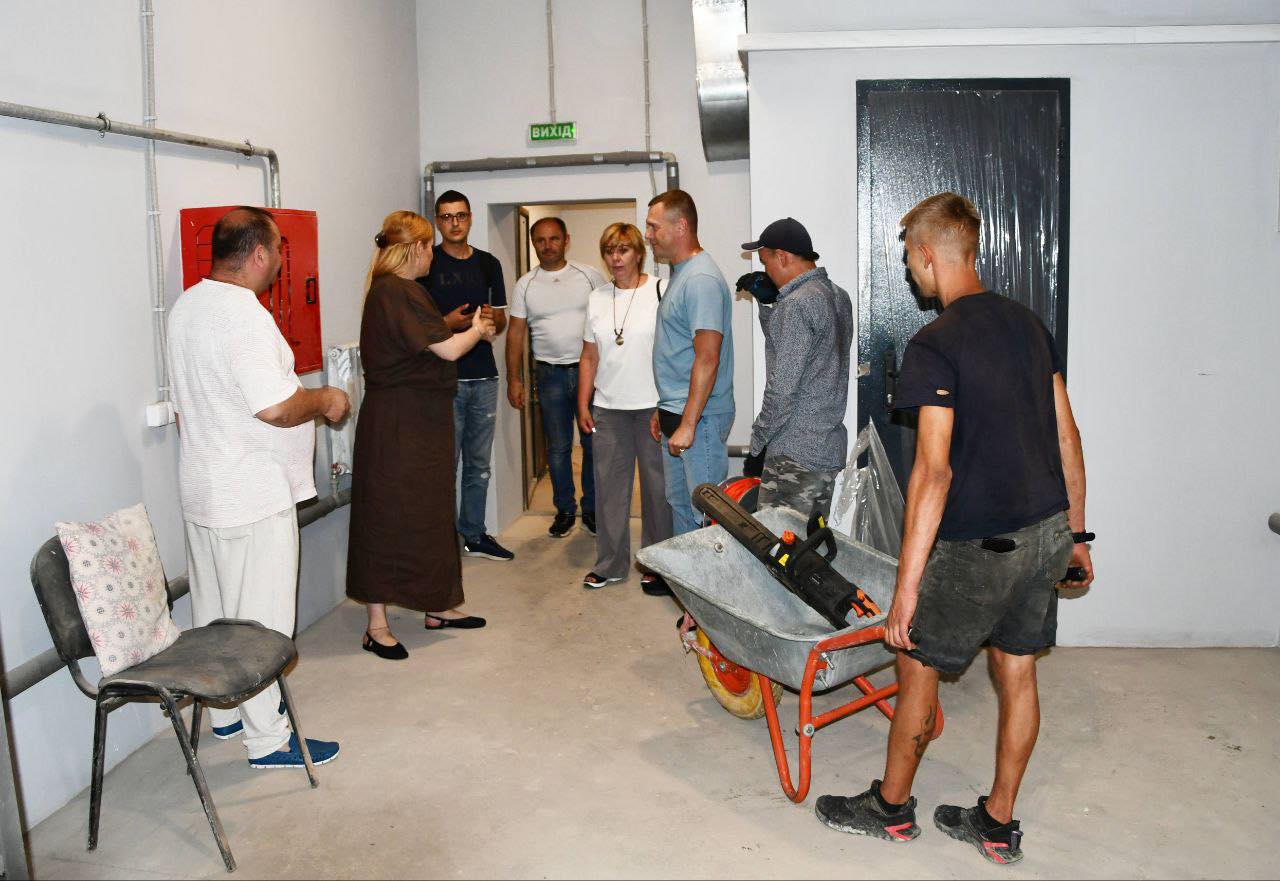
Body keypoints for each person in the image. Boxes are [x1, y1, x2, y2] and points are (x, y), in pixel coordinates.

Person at [813, 193, 1095, 866]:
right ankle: (996, 822)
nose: (912, 274)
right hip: (1045, 531)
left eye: (911, 261)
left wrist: (905, 592)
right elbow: (1067, 433)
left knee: (916, 668)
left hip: (981, 545)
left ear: (926, 255)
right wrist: (1077, 537)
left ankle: (889, 808)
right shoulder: (1028, 325)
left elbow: (932, 474)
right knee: (1017, 672)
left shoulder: (935, 344)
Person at [167, 206, 348, 769]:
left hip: (205, 490)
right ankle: (268, 740)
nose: (278, 265)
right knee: (264, 622)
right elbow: (274, 406)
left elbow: (193, 406)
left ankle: (225, 716)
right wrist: (326, 400)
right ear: (260, 253)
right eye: (277, 254)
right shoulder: (243, 316)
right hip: (250, 494)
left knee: (217, 616)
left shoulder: (187, 306)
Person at [347, 211, 496, 660]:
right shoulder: (395, 291)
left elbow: (425, 345)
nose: (433, 254)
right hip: (397, 426)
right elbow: (447, 350)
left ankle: (437, 605)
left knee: (430, 513)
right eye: (429, 246)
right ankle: (376, 626)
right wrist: (478, 329)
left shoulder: (402, 292)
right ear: (416, 248)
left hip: (421, 423)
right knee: (385, 516)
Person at [577, 223, 674, 595]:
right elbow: (589, 356)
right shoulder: (597, 299)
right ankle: (610, 564)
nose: (615, 258)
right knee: (609, 492)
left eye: (623, 250)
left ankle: (656, 565)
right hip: (608, 408)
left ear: (639, 253)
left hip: (652, 408)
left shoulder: (661, 290)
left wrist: (667, 403)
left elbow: (674, 352)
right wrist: (583, 403)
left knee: (657, 491)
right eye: (609, 251)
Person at [418, 190, 514, 562]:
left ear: (470, 218)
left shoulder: (489, 263)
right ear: (437, 222)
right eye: (446, 217)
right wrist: (448, 323)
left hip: (484, 377)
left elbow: (501, 320)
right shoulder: (427, 263)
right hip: (443, 379)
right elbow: (418, 327)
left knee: (479, 465)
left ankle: (473, 534)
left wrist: (491, 319)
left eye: (460, 215)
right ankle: (441, 539)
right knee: (445, 464)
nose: (454, 223)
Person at [737, 217, 853, 520]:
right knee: (809, 544)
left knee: (779, 545)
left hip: (794, 455)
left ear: (783, 256)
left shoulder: (797, 304)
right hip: (825, 448)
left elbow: (783, 387)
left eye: (766, 262)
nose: (766, 272)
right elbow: (799, 353)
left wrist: (758, 444)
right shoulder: (839, 297)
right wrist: (769, 304)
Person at [506, 217, 607, 538]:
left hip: (589, 374)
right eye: (540, 240)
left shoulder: (589, 275)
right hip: (549, 376)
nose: (547, 246)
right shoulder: (525, 284)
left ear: (566, 240)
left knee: (593, 444)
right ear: (533, 243)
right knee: (559, 448)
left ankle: (592, 509)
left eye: (554, 239)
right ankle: (564, 510)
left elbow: (609, 318)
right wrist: (514, 379)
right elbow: (515, 333)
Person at [644, 189, 734, 538]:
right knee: (681, 507)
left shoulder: (700, 279)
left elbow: (707, 358)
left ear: (680, 226)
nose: (648, 236)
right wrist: (666, 408)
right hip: (679, 412)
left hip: (701, 419)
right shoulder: (682, 274)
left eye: (654, 227)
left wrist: (688, 423)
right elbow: (679, 351)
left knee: (707, 518)